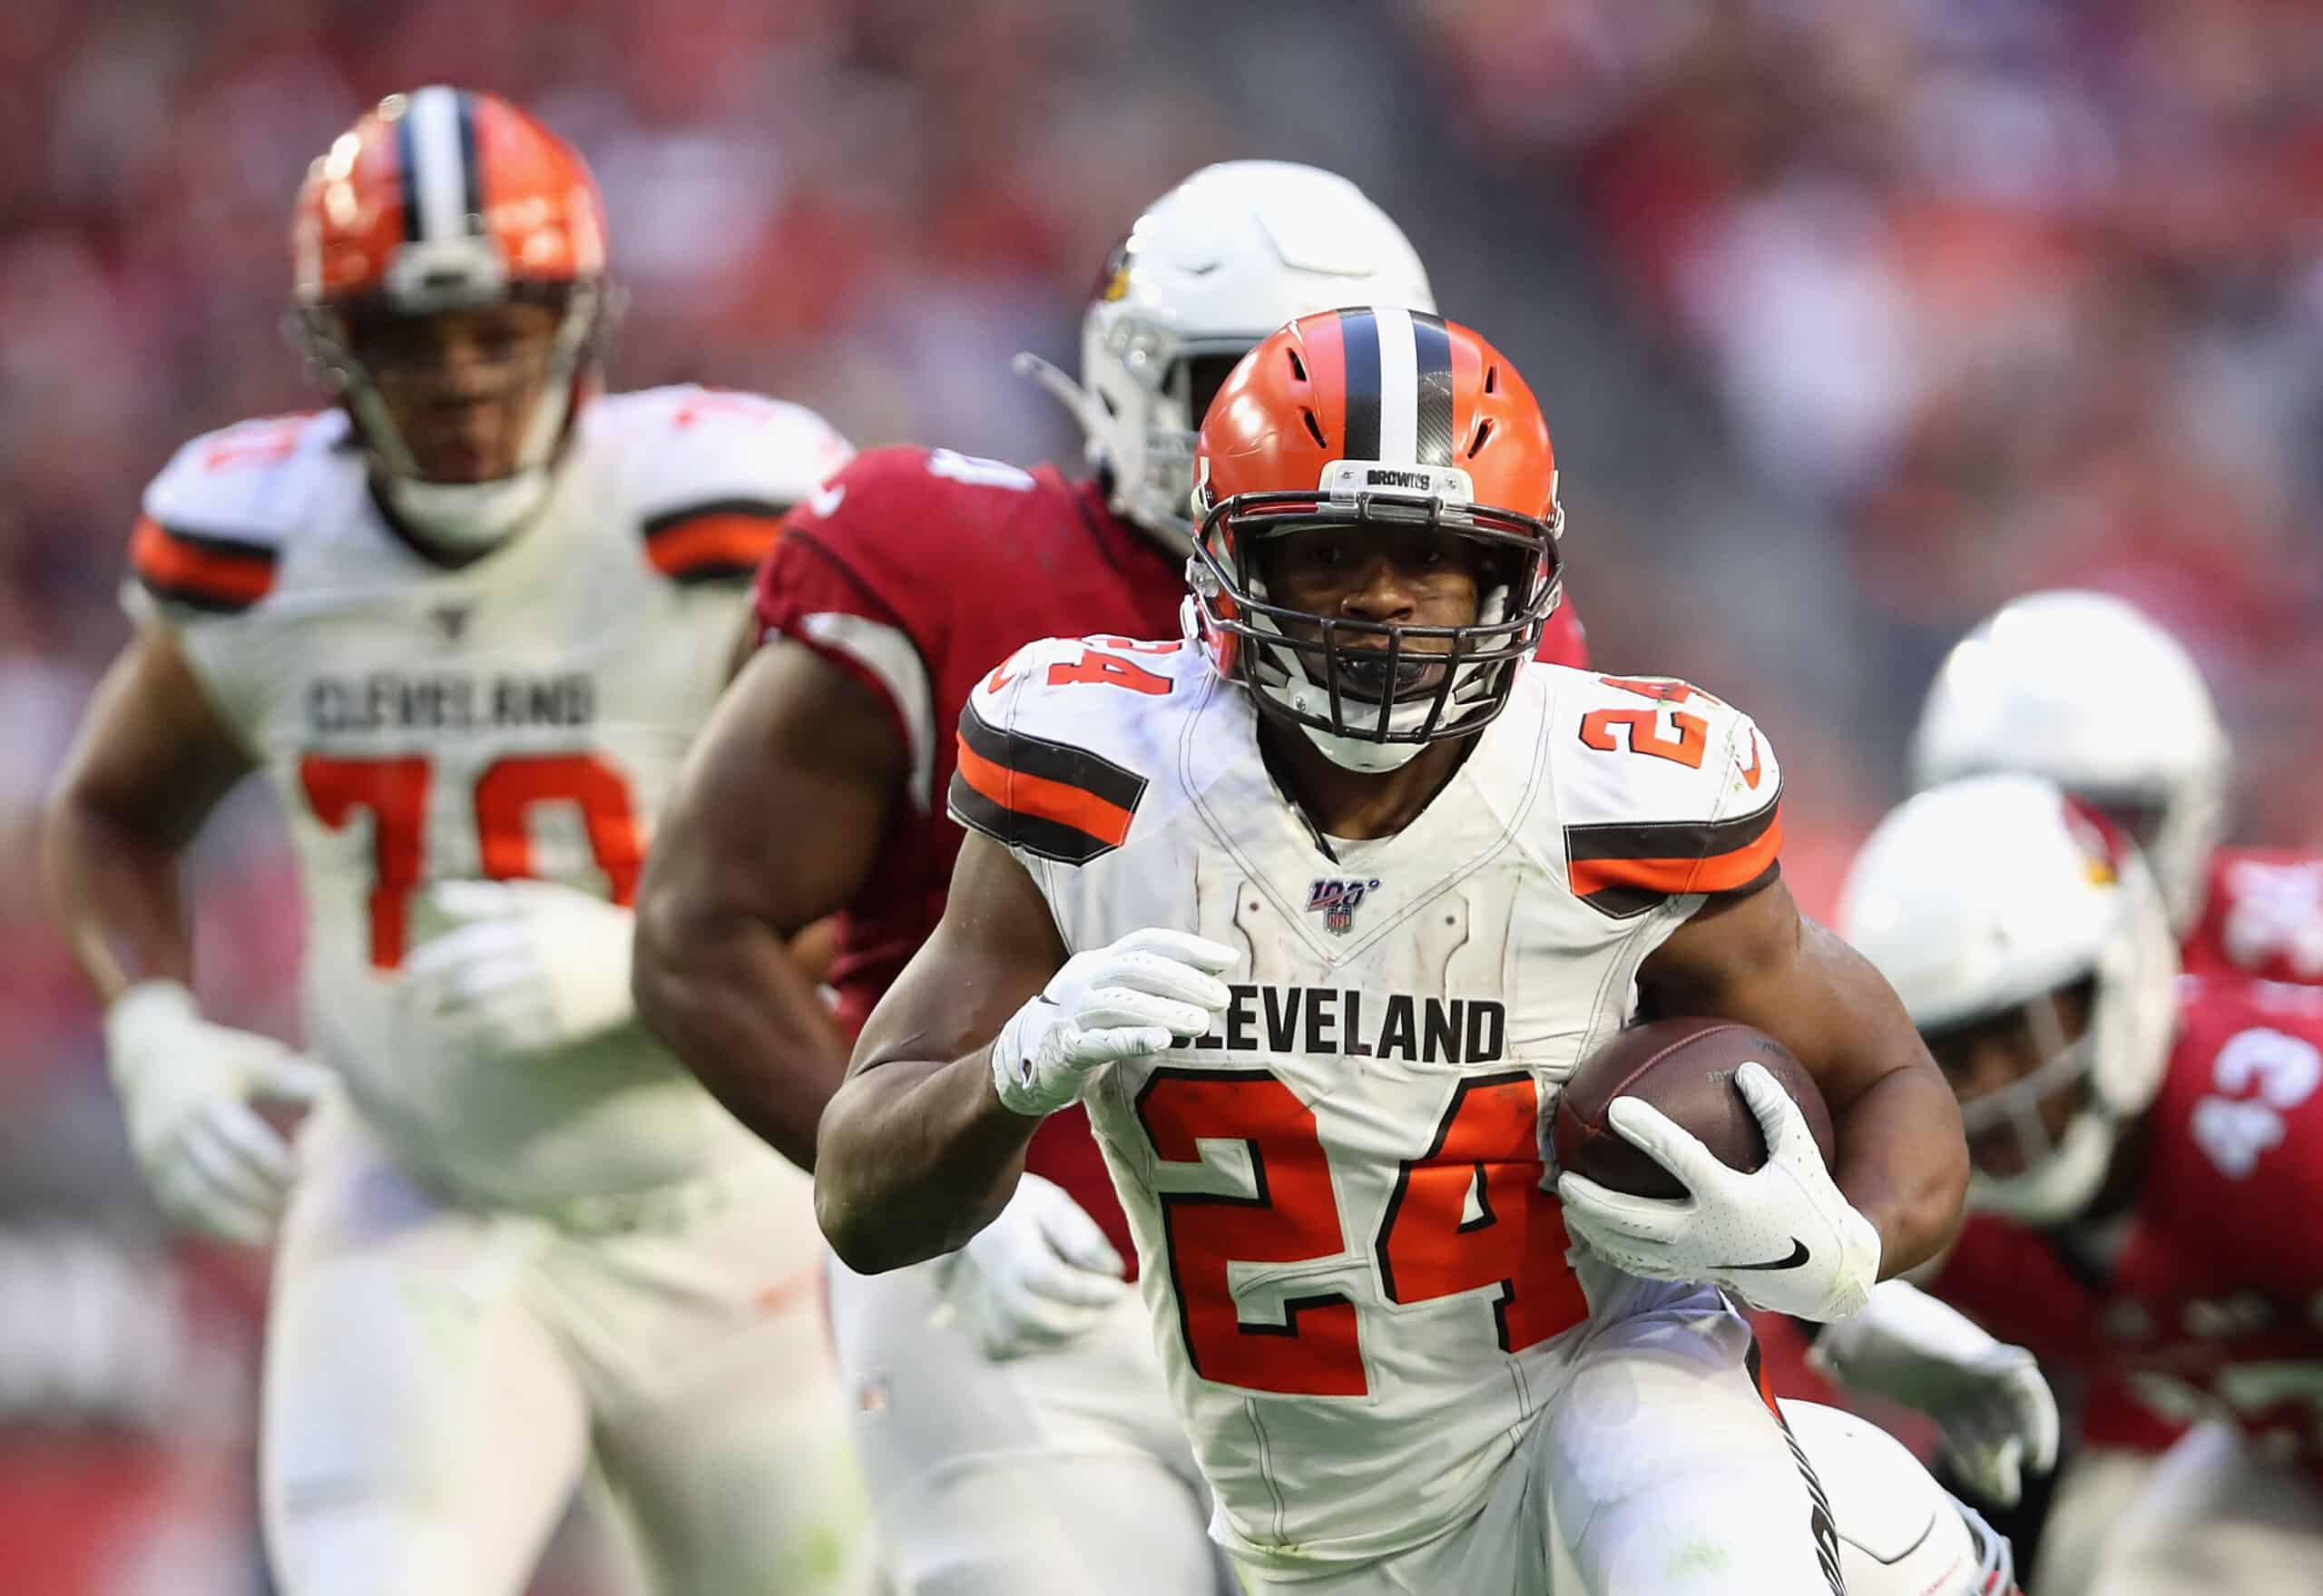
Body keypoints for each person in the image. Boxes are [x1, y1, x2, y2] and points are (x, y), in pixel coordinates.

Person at [810, 307, 1974, 1595]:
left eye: (1433, 555)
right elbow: (860, 1196)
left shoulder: (1618, 805)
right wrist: (1011, 1076)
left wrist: (1848, 1243)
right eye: (1327, 552)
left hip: (1597, 1420)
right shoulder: (1101, 784)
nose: (1380, 597)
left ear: (1517, 573)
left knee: (1707, 1523)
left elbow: (1891, 1080)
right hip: (1308, 1533)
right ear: (1225, 557)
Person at [633, 160, 1588, 1595]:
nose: (1306, 416)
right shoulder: (945, 557)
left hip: (1360, 1310)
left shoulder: (1485, 637)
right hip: (1033, 1276)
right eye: (1237, 377)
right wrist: (966, 1169)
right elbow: (697, 936)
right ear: (1140, 379)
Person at [42, 87, 874, 1596]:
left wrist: (650, 959)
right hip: (427, 1189)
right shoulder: (260, 546)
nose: (465, 376)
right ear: (333, 349)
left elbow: (881, 860)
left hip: (722, 1196)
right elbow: (110, 805)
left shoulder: (719, 517)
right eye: (413, 336)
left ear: (582, 319)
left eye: (502, 324)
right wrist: (151, 1024)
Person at [1834, 772, 2323, 1594]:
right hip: (2282, 1449)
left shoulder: (2273, 1126)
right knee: (2158, 1573)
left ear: (2119, 985)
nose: (1989, 1092)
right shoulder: (1930, 1204)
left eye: (2017, 1034)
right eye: (1950, 1056)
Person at [1911, 588, 2322, 986]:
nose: (2065, 873)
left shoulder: (2295, 942)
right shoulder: (1892, 964)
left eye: (2111, 825)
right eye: (2016, 830)